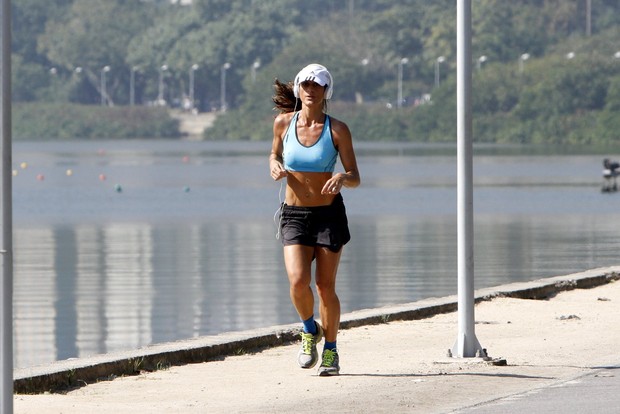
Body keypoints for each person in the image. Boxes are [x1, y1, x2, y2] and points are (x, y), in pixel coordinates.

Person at [269, 63, 360, 376]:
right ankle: (309, 329)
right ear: (298, 88)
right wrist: (274, 166)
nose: (311, 90)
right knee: (297, 282)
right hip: (293, 213)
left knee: (324, 286)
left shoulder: (338, 130)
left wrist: (341, 178)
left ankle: (331, 351)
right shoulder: (282, 123)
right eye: (306, 85)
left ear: (326, 92)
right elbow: (274, 154)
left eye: (317, 86)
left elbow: (355, 176)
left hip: (328, 215)